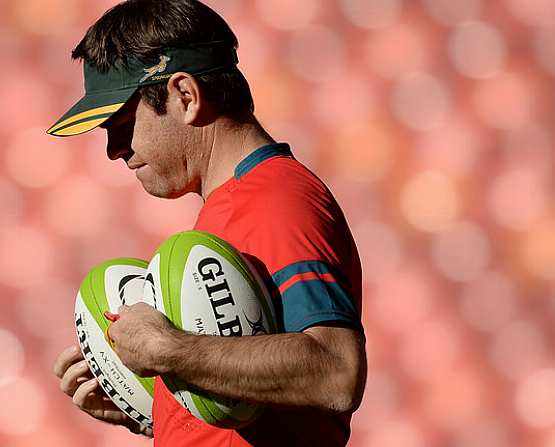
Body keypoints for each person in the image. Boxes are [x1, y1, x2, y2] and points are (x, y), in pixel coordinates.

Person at [49, 1, 367, 445]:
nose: (113, 150)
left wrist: (167, 350)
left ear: (185, 95)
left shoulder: (275, 200)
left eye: (121, 124)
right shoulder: (236, 203)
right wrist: (149, 409)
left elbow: (336, 372)